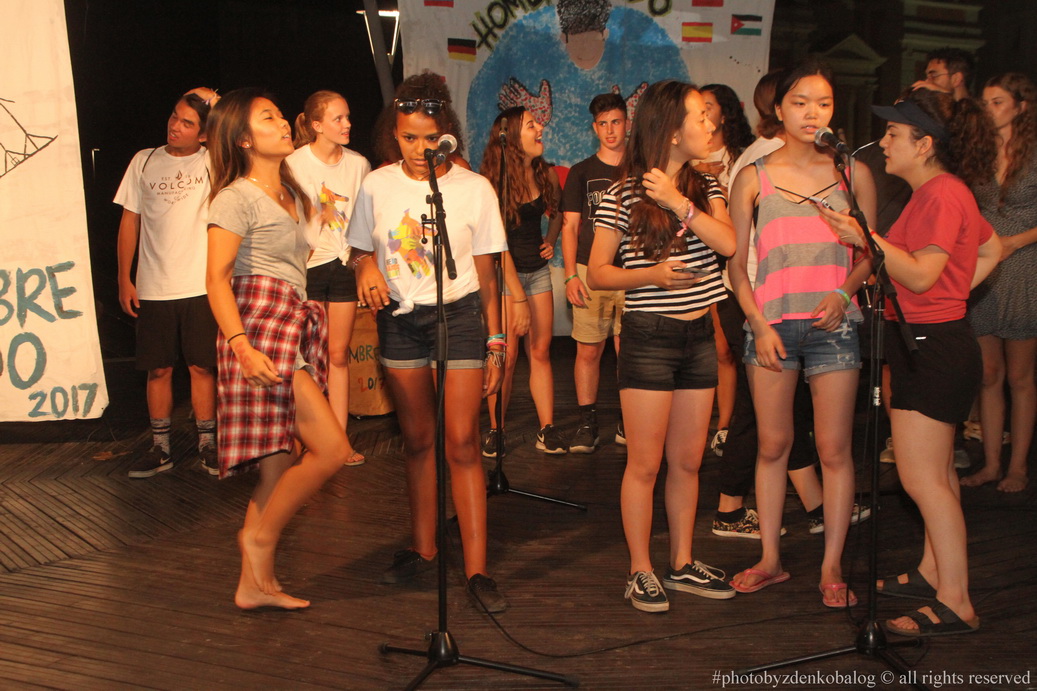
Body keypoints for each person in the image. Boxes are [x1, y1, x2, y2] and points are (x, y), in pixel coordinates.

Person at [819, 88, 1000, 636]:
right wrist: (953, 293)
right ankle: (932, 573)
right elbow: (990, 248)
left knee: (923, 480)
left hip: (934, 347)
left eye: (894, 133)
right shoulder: (934, 193)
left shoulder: (942, 194)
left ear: (924, 144)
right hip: (928, 339)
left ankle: (956, 601)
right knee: (936, 474)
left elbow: (919, 275)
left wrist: (866, 237)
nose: (883, 143)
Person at [346, 72, 509, 613]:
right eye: (407, 137)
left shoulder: (474, 189)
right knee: (418, 441)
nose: (418, 149)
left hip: (458, 316)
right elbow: (356, 249)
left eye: (428, 137)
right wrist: (365, 265)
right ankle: (423, 550)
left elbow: (488, 275)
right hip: (399, 318)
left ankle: (478, 571)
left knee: (461, 441)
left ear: (447, 134)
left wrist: (496, 341)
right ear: (393, 134)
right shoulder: (376, 185)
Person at [727, 59, 876, 608]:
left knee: (834, 448)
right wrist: (757, 324)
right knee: (773, 444)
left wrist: (844, 293)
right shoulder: (753, 176)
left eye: (824, 103)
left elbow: (871, 252)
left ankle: (831, 565)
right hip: (771, 325)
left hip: (834, 324)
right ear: (779, 108)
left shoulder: (852, 174)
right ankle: (770, 558)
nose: (813, 113)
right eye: (801, 103)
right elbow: (735, 265)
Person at [589, 80, 737, 612]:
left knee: (689, 462)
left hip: (699, 336)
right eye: (700, 117)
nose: (710, 124)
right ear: (673, 131)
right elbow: (597, 272)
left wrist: (679, 202)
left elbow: (730, 244)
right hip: (649, 336)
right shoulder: (621, 194)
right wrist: (651, 275)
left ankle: (681, 562)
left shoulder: (705, 185)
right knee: (645, 465)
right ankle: (640, 569)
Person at [205, 88, 352, 610]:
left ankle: (254, 585)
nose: (282, 122)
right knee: (332, 450)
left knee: (279, 459)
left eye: (279, 115)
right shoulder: (235, 197)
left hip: (288, 316)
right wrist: (242, 348)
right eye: (267, 118)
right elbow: (216, 279)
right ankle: (259, 538)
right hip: (259, 325)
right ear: (243, 139)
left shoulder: (290, 192)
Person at [114, 88, 220, 478]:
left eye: (187, 123)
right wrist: (124, 278)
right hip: (154, 285)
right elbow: (130, 221)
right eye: (175, 116)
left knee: (201, 366)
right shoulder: (144, 160)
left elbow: (236, 137)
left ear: (204, 133)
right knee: (157, 369)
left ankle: (208, 444)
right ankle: (161, 448)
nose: (175, 126)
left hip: (199, 285)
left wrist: (217, 106)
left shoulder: (213, 159)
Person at [960, 73, 1037, 493]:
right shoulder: (980, 150)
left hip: (1026, 265)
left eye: (997, 102)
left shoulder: (1035, 152)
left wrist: (1014, 242)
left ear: (1020, 107)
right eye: (985, 102)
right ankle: (991, 463)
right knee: (988, 374)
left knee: (1020, 377)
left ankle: (1018, 466)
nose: (988, 110)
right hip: (986, 267)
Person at [287, 90, 370, 467]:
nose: (347, 124)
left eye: (348, 116)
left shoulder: (358, 164)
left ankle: (339, 442)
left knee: (338, 355)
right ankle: (306, 439)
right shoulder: (293, 163)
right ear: (317, 125)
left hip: (344, 263)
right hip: (308, 264)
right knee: (307, 357)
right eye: (338, 118)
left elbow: (365, 220)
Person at [479, 107, 564, 455]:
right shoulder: (494, 182)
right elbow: (496, 246)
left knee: (540, 352)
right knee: (508, 355)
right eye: (531, 125)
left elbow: (557, 212)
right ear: (512, 136)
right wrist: (517, 297)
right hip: (504, 276)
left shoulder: (545, 173)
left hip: (537, 271)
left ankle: (547, 429)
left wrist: (551, 240)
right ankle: (496, 430)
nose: (539, 128)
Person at [561, 92, 627, 453]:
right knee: (588, 350)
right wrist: (571, 275)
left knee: (628, 350)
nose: (610, 130)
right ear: (594, 128)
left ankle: (630, 420)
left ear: (627, 123)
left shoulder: (643, 167)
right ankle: (587, 423)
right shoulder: (581, 172)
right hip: (590, 270)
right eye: (603, 123)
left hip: (632, 272)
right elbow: (570, 227)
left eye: (616, 121)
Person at [693, 83, 755, 457]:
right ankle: (716, 423)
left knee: (733, 346)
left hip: (734, 257)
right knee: (716, 348)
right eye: (697, 108)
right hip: (698, 257)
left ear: (725, 112)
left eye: (709, 106)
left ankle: (729, 424)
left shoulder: (744, 158)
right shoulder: (686, 156)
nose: (703, 113)